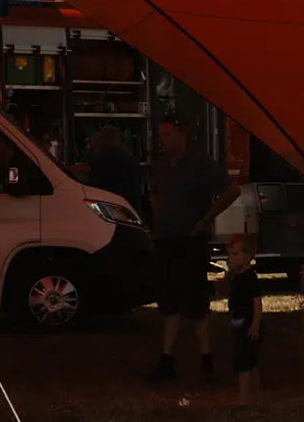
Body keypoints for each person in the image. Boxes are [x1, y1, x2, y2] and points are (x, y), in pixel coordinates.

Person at [146, 115, 230, 381]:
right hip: (166, 237)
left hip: (190, 239)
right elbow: (154, 192)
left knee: (194, 299)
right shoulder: (160, 166)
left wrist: (206, 218)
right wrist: (157, 214)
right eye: (161, 135)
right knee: (169, 300)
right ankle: (167, 359)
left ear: (183, 135)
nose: (163, 140)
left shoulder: (200, 164)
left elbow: (231, 190)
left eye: (168, 134)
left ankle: (205, 358)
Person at [222, 229, 261, 396]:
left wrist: (255, 325)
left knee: (244, 363)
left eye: (235, 254)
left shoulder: (250, 277)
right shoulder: (236, 277)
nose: (231, 258)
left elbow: (257, 303)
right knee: (247, 360)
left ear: (247, 256)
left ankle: (245, 396)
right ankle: (254, 392)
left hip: (247, 323)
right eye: (230, 254)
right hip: (237, 321)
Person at [84, 124, 146, 215]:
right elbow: (141, 189)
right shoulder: (131, 160)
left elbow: (86, 171)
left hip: (114, 210)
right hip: (132, 209)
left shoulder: (104, 160)